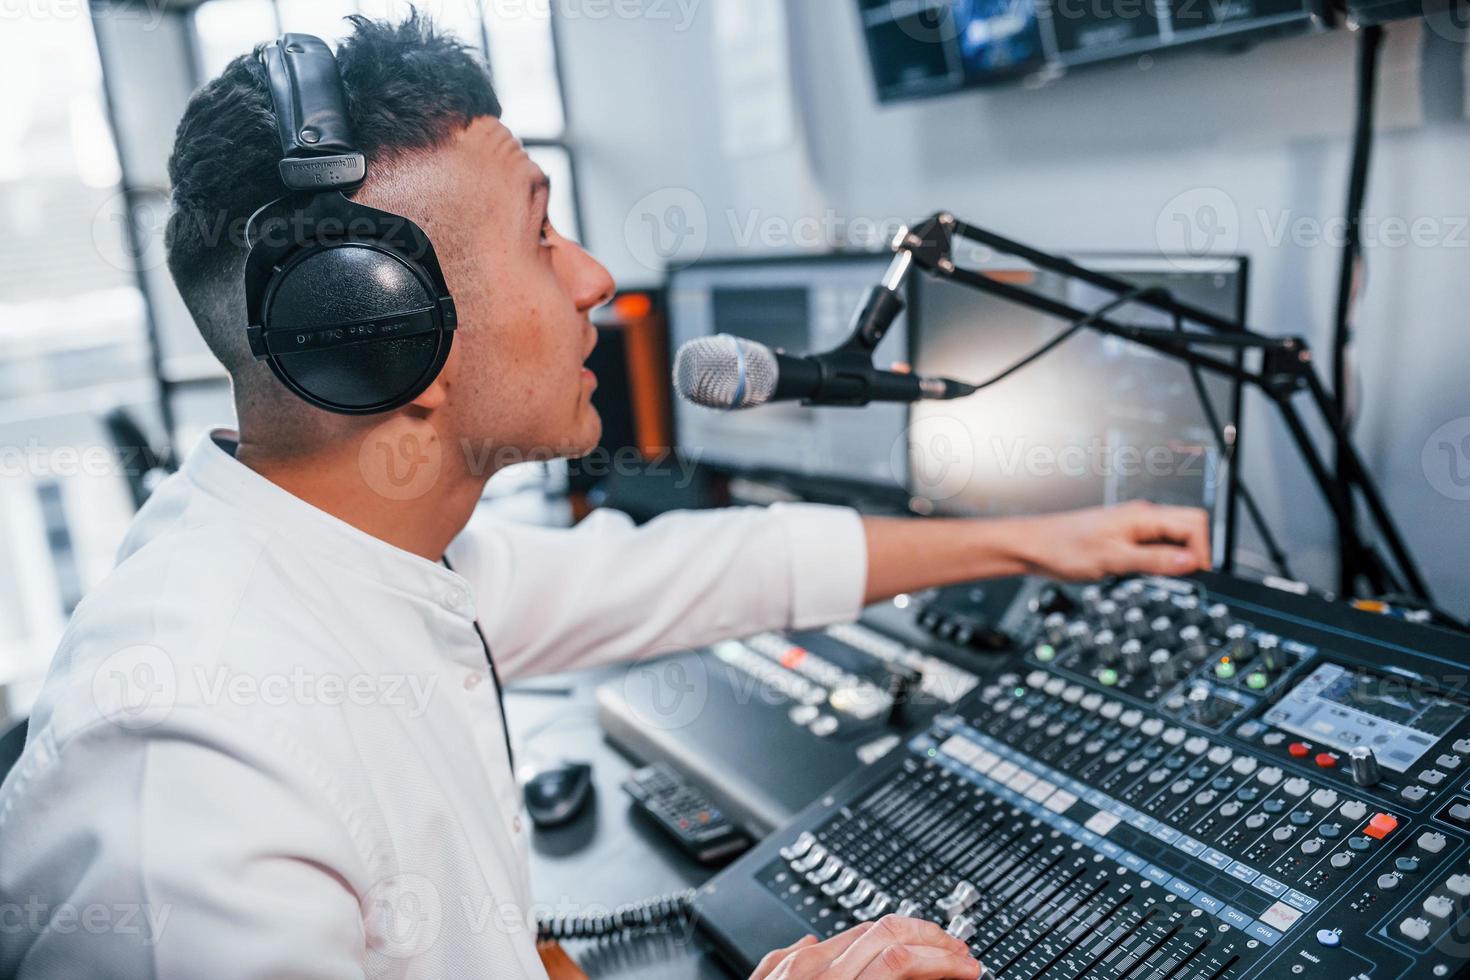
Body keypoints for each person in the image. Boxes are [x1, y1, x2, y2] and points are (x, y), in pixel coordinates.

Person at [0, 14, 1210, 979]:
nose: (595, 276)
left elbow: (698, 567)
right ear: (377, 326)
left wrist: (1050, 537)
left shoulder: (363, 559)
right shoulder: (198, 791)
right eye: (540, 237)